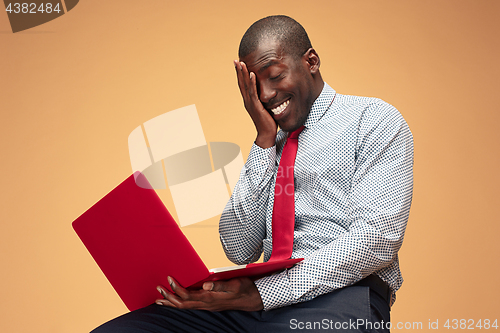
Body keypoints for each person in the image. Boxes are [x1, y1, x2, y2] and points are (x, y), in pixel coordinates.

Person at [92, 15, 413, 332]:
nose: (266, 95)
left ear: (311, 61)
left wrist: (264, 293)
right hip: (254, 301)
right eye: (254, 85)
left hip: (340, 297)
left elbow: (378, 239)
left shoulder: (373, 120)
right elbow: (239, 248)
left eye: (274, 76)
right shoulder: (271, 141)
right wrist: (263, 142)